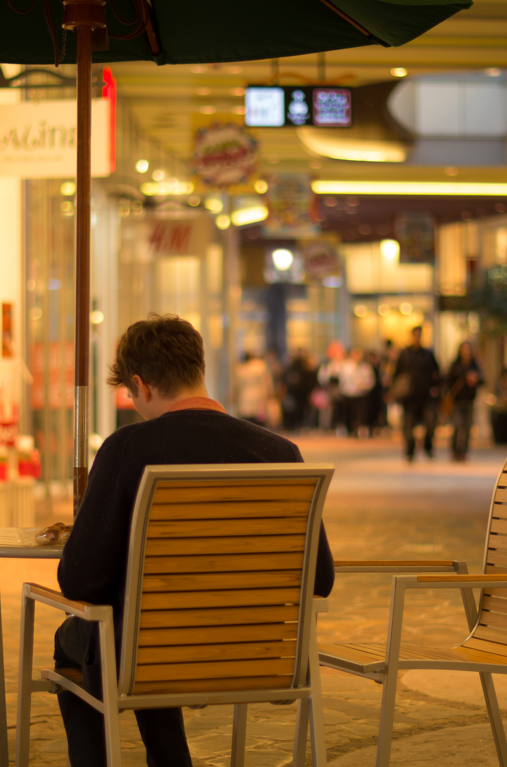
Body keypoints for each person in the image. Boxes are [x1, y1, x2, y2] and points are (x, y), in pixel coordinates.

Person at [56, 315, 335, 767]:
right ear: (198, 370)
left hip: (152, 653)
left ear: (142, 386)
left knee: (85, 636)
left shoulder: (127, 448)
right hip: (262, 657)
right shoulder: (281, 453)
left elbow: (81, 581)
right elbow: (319, 578)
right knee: (145, 626)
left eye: (131, 394)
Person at [391, 326, 440, 460]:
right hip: (409, 396)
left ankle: (427, 446)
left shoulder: (428, 354)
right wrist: (394, 391)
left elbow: (436, 373)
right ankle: (409, 450)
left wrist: (436, 388)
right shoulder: (405, 354)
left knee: (430, 424)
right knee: (408, 426)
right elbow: (396, 374)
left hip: (426, 395)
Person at [445, 341, 484, 461]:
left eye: (468, 350)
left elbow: (482, 381)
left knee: (467, 427)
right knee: (457, 425)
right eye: (464, 349)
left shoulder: (474, 365)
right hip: (457, 401)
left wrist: (475, 379)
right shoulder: (455, 365)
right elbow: (447, 380)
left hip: (469, 401)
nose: (466, 352)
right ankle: (455, 450)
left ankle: (463, 452)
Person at [339, 348, 376, 437]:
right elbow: (342, 380)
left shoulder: (366, 367)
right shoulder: (346, 366)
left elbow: (371, 381)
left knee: (361, 413)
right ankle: (350, 430)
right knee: (350, 413)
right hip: (348, 393)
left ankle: (360, 429)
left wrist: (364, 386)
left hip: (361, 394)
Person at [234, 351, 273, 426]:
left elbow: (237, 387)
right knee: (259, 424)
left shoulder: (240, 369)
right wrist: (268, 396)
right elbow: (266, 384)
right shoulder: (260, 367)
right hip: (258, 397)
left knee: (246, 423)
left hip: (244, 399)